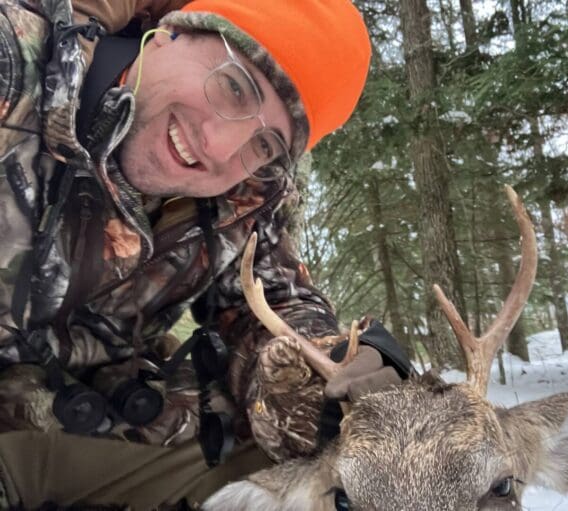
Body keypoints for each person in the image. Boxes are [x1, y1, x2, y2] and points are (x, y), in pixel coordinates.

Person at [0, 0, 411, 508]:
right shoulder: (15, 63)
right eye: (234, 86)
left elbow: (269, 304)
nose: (219, 148)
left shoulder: (248, 196)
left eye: (265, 144)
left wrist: (330, 370)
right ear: (169, 34)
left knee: (310, 461)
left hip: (75, 420)